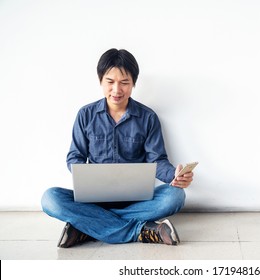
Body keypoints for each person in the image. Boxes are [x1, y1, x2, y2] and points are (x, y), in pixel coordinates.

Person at [41, 48, 194, 248]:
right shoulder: (85, 115)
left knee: (175, 196)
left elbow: (157, 160)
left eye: (124, 83)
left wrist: (174, 176)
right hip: (93, 200)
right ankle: (141, 230)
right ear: (100, 81)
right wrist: (86, 174)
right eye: (110, 82)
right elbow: (75, 157)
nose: (116, 90)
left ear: (133, 84)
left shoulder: (148, 118)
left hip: (137, 201)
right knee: (50, 199)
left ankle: (87, 226)